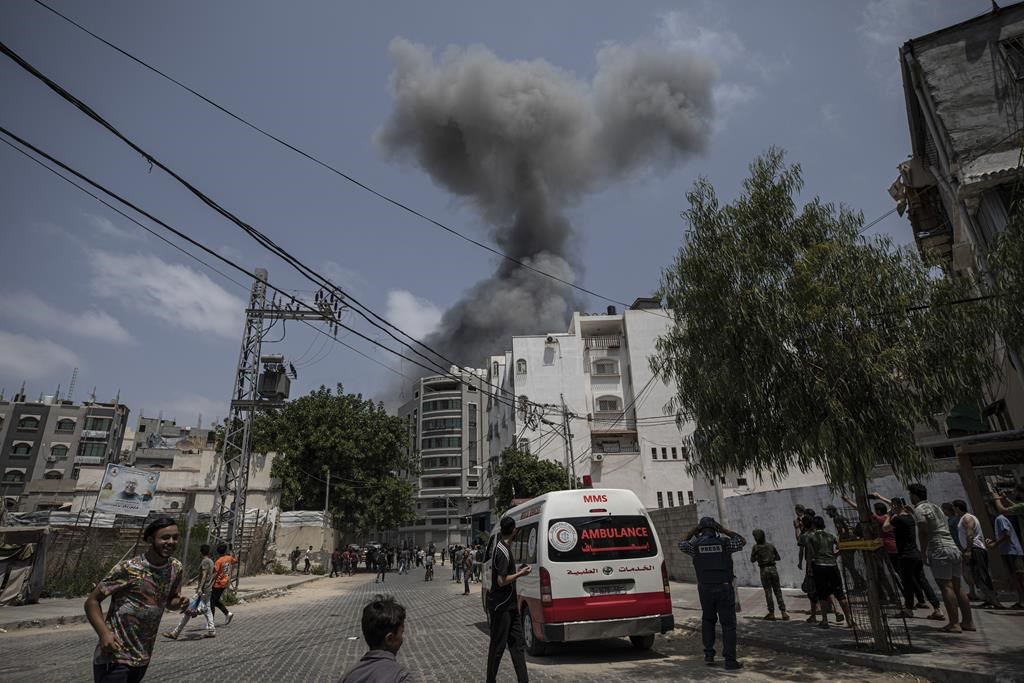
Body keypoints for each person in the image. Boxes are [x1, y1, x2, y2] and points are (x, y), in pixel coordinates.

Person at [84, 517, 184, 683]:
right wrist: (104, 634)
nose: (171, 542)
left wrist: (179, 603)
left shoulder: (175, 567)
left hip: (142, 656)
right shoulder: (129, 568)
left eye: (175, 537)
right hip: (115, 655)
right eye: (165, 537)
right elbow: (92, 602)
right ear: (151, 540)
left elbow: (170, 601)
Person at [679, 516, 746, 669]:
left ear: (700, 531)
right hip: (724, 588)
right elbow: (742, 541)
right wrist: (723, 530)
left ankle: (709, 655)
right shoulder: (725, 543)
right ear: (715, 530)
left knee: (708, 621)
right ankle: (730, 660)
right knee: (728, 625)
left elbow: (681, 543)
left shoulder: (694, 546)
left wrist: (693, 531)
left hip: (705, 589)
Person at [909, 482, 974, 633]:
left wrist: (923, 551)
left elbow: (924, 531)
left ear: (914, 495)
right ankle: (968, 622)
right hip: (952, 547)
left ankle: (954, 623)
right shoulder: (936, 507)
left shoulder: (919, 509)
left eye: (911, 495)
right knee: (958, 586)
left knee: (946, 586)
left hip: (939, 548)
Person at [882, 497, 944, 620]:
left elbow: (885, 527)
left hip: (905, 555)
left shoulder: (898, 519)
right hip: (915, 553)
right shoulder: (910, 517)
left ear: (895, 506)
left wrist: (889, 515)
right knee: (922, 581)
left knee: (907, 583)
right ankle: (937, 608)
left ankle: (908, 609)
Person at [487, 516, 531, 683]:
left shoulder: (503, 547)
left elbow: (505, 574)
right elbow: (501, 580)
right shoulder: (503, 551)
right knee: (497, 648)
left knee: (517, 645)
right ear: (514, 531)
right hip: (501, 607)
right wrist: (521, 574)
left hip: (511, 606)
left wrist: (516, 570)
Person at [340, 594, 411, 683]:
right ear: (389, 639)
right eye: (401, 633)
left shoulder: (348, 676)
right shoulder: (400, 677)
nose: (402, 639)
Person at [949, 500, 1003, 609]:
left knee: (981, 576)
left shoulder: (967, 518)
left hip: (975, 549)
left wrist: (968, 550)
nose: (953, 510)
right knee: (978, 576)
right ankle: (989, 599)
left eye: (954, 508)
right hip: (973, 549)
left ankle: (995, 601)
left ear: (957, 508)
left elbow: (970, 534)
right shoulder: (966, 518)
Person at [806, 515, 853, 628]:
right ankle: (849, 620)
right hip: (832, 565)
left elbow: (810, 554)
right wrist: (834, 556)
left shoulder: (811, 537)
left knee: (822, 593)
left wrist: (809, 568)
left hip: (819, 566)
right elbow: (840, 548)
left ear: (813, 525)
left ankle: (825, 620)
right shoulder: (830, 536)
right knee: (839, 593)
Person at [164, 544, 216, 640]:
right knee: (208, 609)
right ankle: (211, 630)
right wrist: (194, 579)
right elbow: (211, 573)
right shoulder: (211, 561)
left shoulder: (204, 561)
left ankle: (176, 632)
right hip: (208, 589)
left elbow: (204, 575)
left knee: (188, 609)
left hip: (202, 590)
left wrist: (200, 588)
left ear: (201, 552)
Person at [987, 500, 1024, 609]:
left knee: (1018, 576)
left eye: (989, 508)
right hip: (1008, 551)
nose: (989, 510)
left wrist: (994, 544)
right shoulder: (999, 519)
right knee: (1015, 576)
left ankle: (1022, 600)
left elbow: (1006, 534)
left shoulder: (1000, 518)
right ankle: (1020, 599)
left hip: (1011, 551)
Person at [749, 529, 788, 621]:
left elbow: (752, 560)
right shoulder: (770, 546)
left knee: (768, 592)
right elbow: (778, 558)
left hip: (764, 570)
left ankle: (771, 613)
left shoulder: (756, 547)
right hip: (773, 569)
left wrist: (759, 556)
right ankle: (783, 612)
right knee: (778, 590)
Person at [209, 544, 236, 625]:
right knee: (215, 600)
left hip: (218, 583)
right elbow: (236, 560)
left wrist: (209, 583)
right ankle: (227, 613)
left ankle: (211, 621)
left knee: (212, 602)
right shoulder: (229, 558)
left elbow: (215, 573)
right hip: (226, 582)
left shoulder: (218, 561)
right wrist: (232, 551)